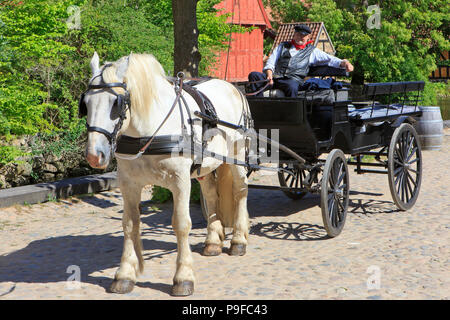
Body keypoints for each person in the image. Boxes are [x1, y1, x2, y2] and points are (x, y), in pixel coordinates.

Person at [248, 24, 354, 97]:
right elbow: (271, 61)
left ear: (308, 37)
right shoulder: (282, 46)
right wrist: (269, 75)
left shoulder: (312, 51)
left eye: (304, 36)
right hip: (275, 78)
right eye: (298, 34)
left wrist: (345, 62)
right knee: (254, 75)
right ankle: (258, 107)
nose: (300, 37)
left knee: (291, 86)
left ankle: (291, 116)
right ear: (294, 35)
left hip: (292, 80)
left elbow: (331, 60)